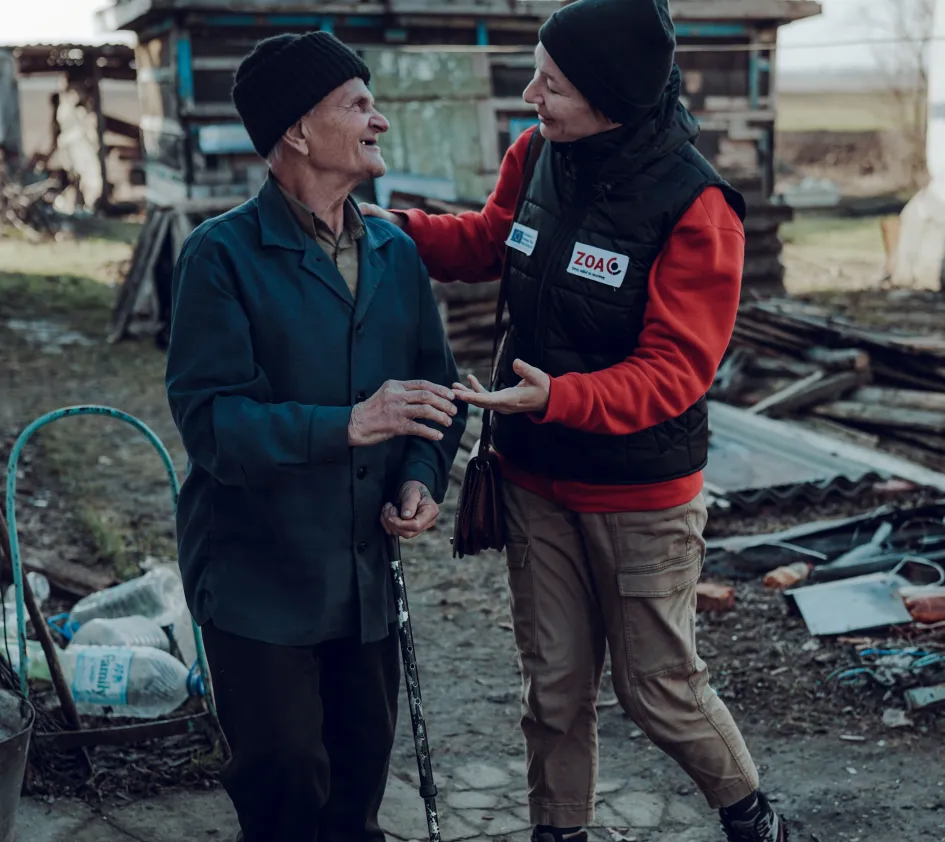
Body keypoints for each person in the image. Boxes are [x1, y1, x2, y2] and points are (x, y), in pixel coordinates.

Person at [359, 1, 786, 841]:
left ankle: (749, 813)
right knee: (552, 687)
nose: (531, 96)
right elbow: (492, 240)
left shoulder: (696, 207)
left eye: (550, 85)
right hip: (533, 476)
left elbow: (675, 373)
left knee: (655, 686)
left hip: (639, 495)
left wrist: (559, 396)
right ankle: (558, 831)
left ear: (608, 98)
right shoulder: (536, 154)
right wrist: (399, 232)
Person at [164, 31, 466, 842]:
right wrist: (351, 423)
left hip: (364, 577)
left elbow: (436, 394)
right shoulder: (220, 256)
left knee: (357, 782)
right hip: (259, 574)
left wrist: (420, 477)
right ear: (297, 130)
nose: (379, 121)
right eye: (358, 105)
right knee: (287, 781)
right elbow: (213, 424)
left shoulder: (395, 252)